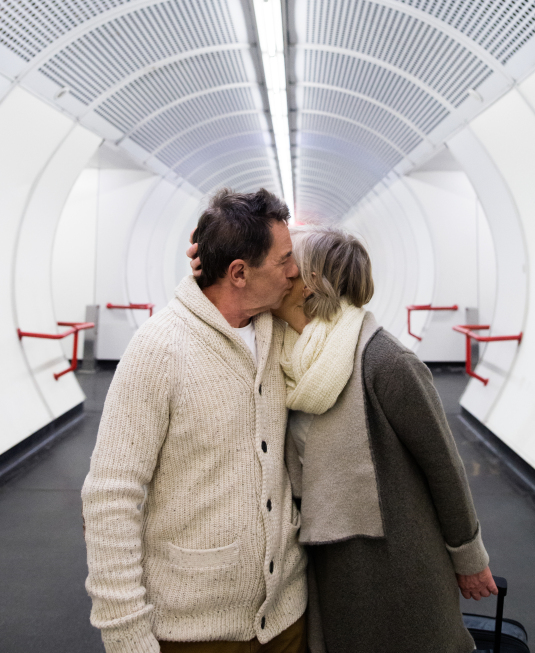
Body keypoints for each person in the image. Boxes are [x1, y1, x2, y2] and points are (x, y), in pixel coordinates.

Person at [82, 189, 308, 653]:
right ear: (239, 273)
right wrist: (126, 634)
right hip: (195, 633)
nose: (295, 271)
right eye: (284, 260)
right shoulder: (159, 350)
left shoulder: (279, 333)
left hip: (286, 618)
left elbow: (342, 296)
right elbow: (110, 498)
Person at [271, 225, 497, 653]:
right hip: (327, 567)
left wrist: (469, 558)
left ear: (311, 283)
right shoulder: (286, 358)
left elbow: (443, 465)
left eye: (290, 265)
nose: (281, 273)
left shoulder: (385, 361)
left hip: (398, 570)